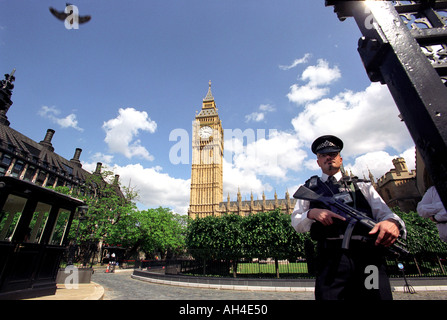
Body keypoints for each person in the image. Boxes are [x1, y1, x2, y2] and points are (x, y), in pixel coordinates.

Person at [291, 135, 406, 300]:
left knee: (375, 297)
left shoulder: (361, 185)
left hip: (368, 258)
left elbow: (387, 214)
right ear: (318, 162)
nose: (328, 158)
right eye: (323, 155)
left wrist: (392, 223)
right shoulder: (309, 188)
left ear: (340, 159)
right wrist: (311, 213)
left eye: (333, 154)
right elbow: (296, 221)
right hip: (331, 260)